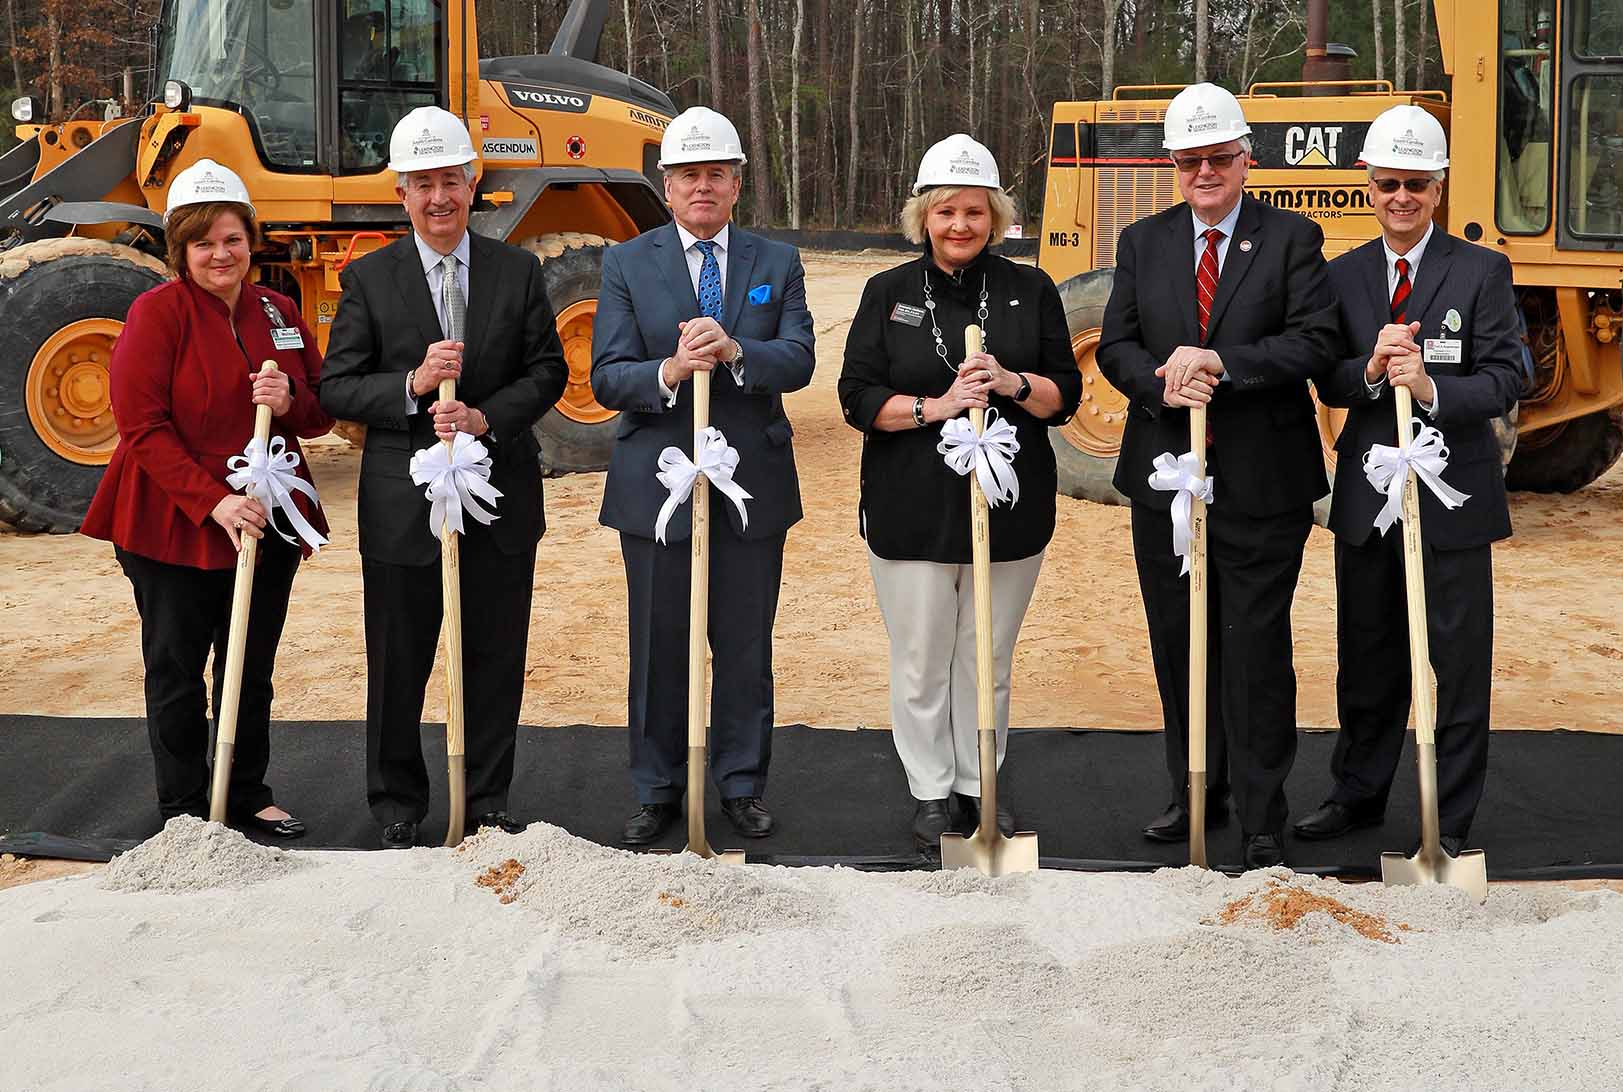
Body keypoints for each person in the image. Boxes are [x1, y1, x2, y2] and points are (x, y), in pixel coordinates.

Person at [1095, 83, 1343, 869]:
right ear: (1174, 165)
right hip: (1167, 477)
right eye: (1190, 160)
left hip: (1262, 481)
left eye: (1219, 158)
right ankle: (1195, 789)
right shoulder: (1144, 241)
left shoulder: (1293, 239)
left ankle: (1264, 811)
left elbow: (1314, 342)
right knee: (1179, 641)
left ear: (1246, 160)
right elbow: (1116, 345)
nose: (1205, 171)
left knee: (1254, 645)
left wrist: (1224, 365)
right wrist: (1160, 381)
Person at [320, 106, 568, 850]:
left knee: (495, 658)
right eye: (422, 184)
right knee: (399, 662)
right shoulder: (368, 279)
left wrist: (488, 419)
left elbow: (548, 370)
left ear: (473, 182)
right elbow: (338, 385)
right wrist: (412, 384)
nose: (438, 198)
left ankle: (486, 798)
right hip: (403, 508)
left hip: (498, 500)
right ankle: (397, 802)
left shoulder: (518, 271)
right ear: (402, 193)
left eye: (450, 181)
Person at [837, 135, 1080, 852]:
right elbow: (856, 398)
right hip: (911, 505)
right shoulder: (887, 293)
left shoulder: (1031, 290)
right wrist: (937, 406)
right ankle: (931, 791)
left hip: (1009, 510)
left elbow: (1063, 396)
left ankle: (982, 784)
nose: (961, 226)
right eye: (946, 212)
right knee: (920, 656)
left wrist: (1008, 383)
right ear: (924, 217)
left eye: (975, 211)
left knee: (988, 654)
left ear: (996, 215)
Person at [1300, 105, 1527, 855]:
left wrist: (1430, 389)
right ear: (1368, 183)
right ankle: (1357, 794)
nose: (1402, 196)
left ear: (1439, 188)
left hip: (1452, 500)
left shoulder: (1482, 270)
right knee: (1368, 660)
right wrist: (1368, 370)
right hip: (1370, 503)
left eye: (1417, 184)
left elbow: (1506, 375)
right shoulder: (1343, 276)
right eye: (1389, 181)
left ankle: (1450, 816)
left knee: (1457, 665)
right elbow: (1329, 380)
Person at [81, 158, 332, 836]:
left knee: (249, 664)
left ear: (252, 239)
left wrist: (292, 399)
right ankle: (186, 807)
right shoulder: (156, 314)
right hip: (173, 521)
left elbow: (319, 413)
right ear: (181, 250)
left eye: (232, 238)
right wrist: (214, 502)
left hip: (266, 516)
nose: (221, 254)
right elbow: (141, 428)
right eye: (204, 242)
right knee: (177, 670)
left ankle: (246, 790)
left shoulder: (278, 312)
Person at [590, 106, 815, 846]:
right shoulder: (626, 262)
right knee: (658, 643)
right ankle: (656, 788)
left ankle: (741, 784)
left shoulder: (775, 263)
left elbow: (800, 358)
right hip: (655, 484)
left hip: (751, 480)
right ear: (667, 184)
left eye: (716, 173)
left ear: (738, 183)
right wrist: (669, 369)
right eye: (688, 174)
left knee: (745, 644)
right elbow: (607, 376)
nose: (702, 187)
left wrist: (738, 352)